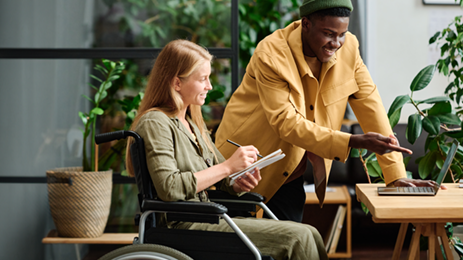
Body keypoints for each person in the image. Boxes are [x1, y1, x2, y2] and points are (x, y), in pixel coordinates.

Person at [215, 0, 443, 223]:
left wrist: (396, 176)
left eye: (342, 34)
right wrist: (353, 141)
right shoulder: (272, 54)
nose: (336, 43)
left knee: (292, 247)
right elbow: (286, 123)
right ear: (306, 24)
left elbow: (370, 106)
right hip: (241, 168)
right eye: (329, 33)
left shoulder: (349, 49)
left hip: (288, 174)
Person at [127, 39, 328, 260]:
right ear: (177, 83)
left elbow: (222, 176)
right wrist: (228, 167)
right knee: (299, 238)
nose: (209, 86)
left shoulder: (192, 124)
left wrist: (236, 181)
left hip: (206, 218)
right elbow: (169, 187)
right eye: (203, 79)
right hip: (184, 225)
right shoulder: (155, 122)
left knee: (311, 233)